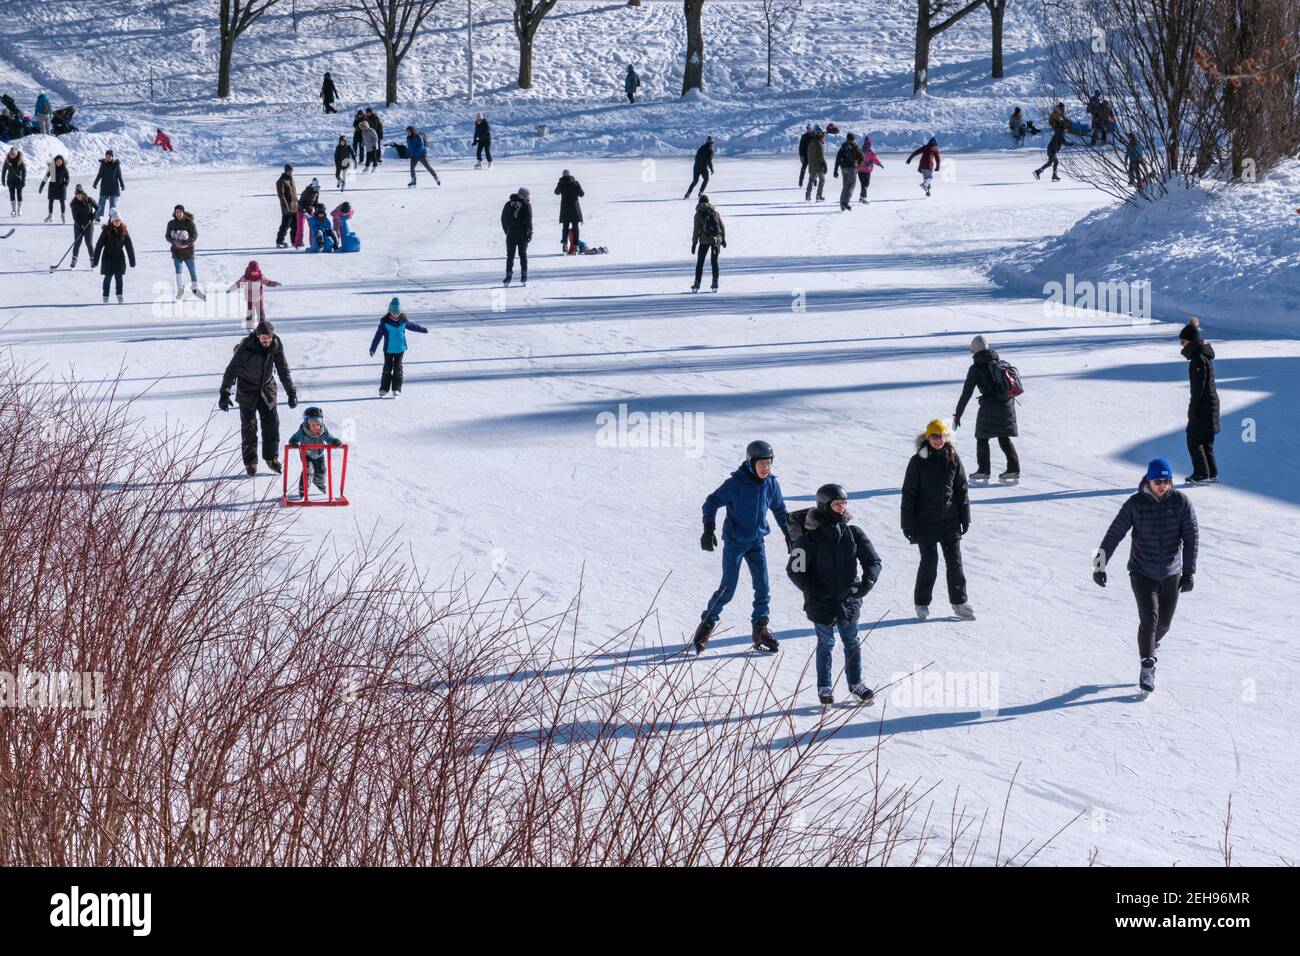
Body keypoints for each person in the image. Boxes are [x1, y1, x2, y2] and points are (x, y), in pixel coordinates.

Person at [1093, 458, 1199, 695]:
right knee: (1150, 620)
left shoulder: (1181, 502)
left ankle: (1150, 645)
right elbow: (1114, 533)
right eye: (1157, 480)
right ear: (1148, 480)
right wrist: (1099, 565)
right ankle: (1147, 666)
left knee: (1164, 623)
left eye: (1166, 480)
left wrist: (1189, 572)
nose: (1162, 485)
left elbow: (1191, 537)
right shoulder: (1135, 504)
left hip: (1172, 572)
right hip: (1142, 572)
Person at [786, 483, 883, 707]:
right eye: (837, 504)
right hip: (821, 602)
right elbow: (794, 569)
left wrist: (867, 582)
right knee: (826, 643)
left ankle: (856, 684)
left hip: (849, 600)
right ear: (824, 506)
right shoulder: (807, 539)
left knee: (852, 642)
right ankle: (825, 687)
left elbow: (873, 561)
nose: (841, 508)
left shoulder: (854, 533)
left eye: (844, 503)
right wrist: (811, 590)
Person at [694, 440, 789, 655]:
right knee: (727, 589)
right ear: (750, 462)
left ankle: (760, 631)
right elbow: (710, 503)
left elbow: (780, 511)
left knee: (763, 589)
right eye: (761, 463)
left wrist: (789, 534)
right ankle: (705, 627)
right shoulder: (735, 484)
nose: (765, 468)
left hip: (757, 543)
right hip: (735, 543)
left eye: (769, 463)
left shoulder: (771, 484)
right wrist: (709, 528)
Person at [900, 418, 973, 621]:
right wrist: (906, 523)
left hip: (950, 520)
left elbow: (961, 489)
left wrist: (965, 517)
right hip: (924, 522)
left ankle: (959, 602)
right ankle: (922, 603)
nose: (938, 440)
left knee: (955, 562)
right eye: (934, 436)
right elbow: (909, 494)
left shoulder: (953, 458)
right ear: (927, 437)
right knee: (929, 562)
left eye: (941, 436)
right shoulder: (917, 461)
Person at [219, 321, 296, 476]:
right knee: (249, 427)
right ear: (257, 336)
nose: (266, 341)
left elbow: (283, 369)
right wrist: (224, 393)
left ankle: (271, 458)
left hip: (267, 390)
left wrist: (291, 392)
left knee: (272, 424)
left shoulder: (276, 344)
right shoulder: (247, 346)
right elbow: (231, 370)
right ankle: (251, 462)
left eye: (268, 338)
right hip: (247, 390)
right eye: (263, 338)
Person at [954, 335, 1020, 481]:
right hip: (1007, 404)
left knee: (982, 437)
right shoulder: (1001, 363)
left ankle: (983, 470)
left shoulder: (976, 368)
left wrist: (958, 414)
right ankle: (1013, 468)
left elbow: (966, 393)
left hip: (990, 406)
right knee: (1004, 437)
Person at [1179, 318, 1220, 483]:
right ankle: (1211, 473)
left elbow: (1199, 388)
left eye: (1183, 341)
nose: (1181, 345)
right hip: (1210, 404)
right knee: (1206, 441)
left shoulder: (1197, 359)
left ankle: (1202, 474)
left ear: (1191, 341)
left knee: (1193, 439)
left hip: (1204, 406)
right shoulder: (1203, 355)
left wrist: (1193, 409)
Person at [368, 298, 428, 398]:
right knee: (387, 369)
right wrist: (373, 348)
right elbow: (378, 335)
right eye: (393, 313)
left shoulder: (403, 321)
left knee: (398, 369)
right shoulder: (385, 322)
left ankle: (396, 388)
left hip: (400, 349)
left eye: (397, 313)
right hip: (388, 350)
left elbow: (413, 326)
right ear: (390, 312)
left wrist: (423, 329)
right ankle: (384, 389)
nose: (396, 315)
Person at [287, 406, 344, 496]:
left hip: (319, 454)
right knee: (308, 470)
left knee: (321, 471)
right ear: (306, 423)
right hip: (306, 454)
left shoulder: (323, 431)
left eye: (318, 424)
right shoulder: (302, 432)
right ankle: (303, 490)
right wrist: (293, 442)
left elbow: (328, 437)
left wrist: (334, 441)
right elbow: (295, 438)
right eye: (313, 424)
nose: (316, 427)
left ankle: (319, 484)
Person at [90, 210, 135, 304]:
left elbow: (129, 247)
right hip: (108, 258)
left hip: (119, 258)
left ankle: (119, 295)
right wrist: (95, 261)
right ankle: (105, 295)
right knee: (108, 278)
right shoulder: (106, 231)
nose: (117, 222)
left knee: (119, 278)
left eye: (119, 221)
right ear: (112, 221)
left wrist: (132, 260)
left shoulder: (124, 231)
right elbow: (99, 246)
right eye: (115, 221)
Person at [228, 260, 281, 330]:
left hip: (259, 298)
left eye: (255, 271)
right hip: (250, 299)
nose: (254, 273)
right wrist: (231, 289)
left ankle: (262, 327)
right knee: (250, 312)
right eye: (252, 271)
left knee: (261, 313)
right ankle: (249, 326)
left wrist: (274, 283)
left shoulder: (261, 277)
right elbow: (238, 283)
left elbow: (267, 282)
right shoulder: (246, 277)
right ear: (250, 271)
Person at [165, 204, 204, 300]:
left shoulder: (190, 223)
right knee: (178, 270)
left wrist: (184, 242)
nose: (178, 214)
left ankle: (195, 289)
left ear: (183, 212)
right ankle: (180, 289)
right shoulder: (171, 223)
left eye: (180, 212)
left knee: (192, 270)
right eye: (176, 212)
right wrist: (174, 241)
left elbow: (194, 235)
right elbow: (167, 236)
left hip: (188, 252)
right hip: (176, 252)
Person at [690, 194, 725, 293]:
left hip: (704, 241)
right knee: (714, 262)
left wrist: (694, 243)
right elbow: (722, 227)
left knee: (700, 263)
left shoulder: (698, 214)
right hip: (716, 240)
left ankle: (697, 283)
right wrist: (723, 240)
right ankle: (715, 282)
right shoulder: (715, 213)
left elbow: (696, 230)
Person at [500, 188, 532, 286]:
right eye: (528, 196)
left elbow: (503, 219)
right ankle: (524, 276)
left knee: (510, 256)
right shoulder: (526, 205)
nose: (529, 199)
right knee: (523, 255)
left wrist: (507, 231)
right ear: (524, 195)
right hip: (522, 234)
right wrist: (529, 233)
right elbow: (529, 221)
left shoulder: (508, 204)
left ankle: (508, 276)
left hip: (511, 234)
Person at [1034, 103, 1067, 181]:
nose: (1064, 109)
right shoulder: (1057, 114)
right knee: (1050, 162)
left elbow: (1062, 122)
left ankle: (1053, 175)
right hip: (1053, 148)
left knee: (1055, 162)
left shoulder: (1059, 114)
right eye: (1063, 108)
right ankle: (1038, 171)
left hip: (1053, 146)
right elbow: (1059, 122)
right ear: (1061, 108)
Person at [554, 169, 584, 254]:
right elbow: (582, 194)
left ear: (563, 175)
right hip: (575, 209)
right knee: (576, 229)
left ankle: (565, 245)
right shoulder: (575, 183)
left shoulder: (561, 184)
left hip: (565, 210)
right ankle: (576, 247)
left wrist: (560, 186)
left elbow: (556, 192)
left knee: (565, 228)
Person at [833, 132, 865, 211]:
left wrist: (835, 170)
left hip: (843, 169)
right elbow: (862, 157)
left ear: (847, 139)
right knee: (851, 185)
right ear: (853, 139)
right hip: (852, 168)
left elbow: (837, 159)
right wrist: (858, 165)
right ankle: (845, 202)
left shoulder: (843, 147)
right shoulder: (855, 147)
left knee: (845, 187)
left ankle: (842, 205)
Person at [68, 185, 98, 268]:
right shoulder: (74, 204)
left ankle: (93, 260)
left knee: (89, 243)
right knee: (77, 243)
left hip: (89, 225)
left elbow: (98, 207)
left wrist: (93, 216)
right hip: (78, 225)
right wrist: (81, 225)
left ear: (82, 194)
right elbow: (75, 217)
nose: (77, 196)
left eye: (79, 194)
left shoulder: (89, 200)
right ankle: (74, 260)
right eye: (76, 194)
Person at [92, 149, 124, 221]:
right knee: (101, 202)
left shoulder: (116, 164)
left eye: (110, 156)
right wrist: (95, 182)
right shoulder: (103, 164)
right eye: (107, 156)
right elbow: (99, 174)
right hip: (104, 186)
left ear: (112, 157)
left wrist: (122, 185)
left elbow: (119, 175)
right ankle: (98, 216)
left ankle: (111, 217)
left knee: (113, 204)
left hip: (114, 187)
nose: (108, 157)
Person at [38, 154, 69, 223]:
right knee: (51, 201)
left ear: (62, 162)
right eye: (57, 161)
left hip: (61, 188)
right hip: (52, 187)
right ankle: (50, 215)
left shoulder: (64, 169)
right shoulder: (52, 168)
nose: (58, 163)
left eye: (60, 161)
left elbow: (67, 178)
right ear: (55, 161)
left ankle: (63, 216)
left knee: (62, 202)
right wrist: (41, 186)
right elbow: (46, 177)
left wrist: (65, 185)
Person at [275, 164, 297, 249]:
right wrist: (286, 207)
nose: (291, 172)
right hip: (287, 208)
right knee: (285, 225)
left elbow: (294, 194)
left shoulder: (291, 180)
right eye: (290, 171)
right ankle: (280, 241)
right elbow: (281, 196)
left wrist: (298, 205)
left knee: (295, 226)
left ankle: (294, 241)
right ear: (286, 171)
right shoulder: (281, 181)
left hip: (294, 207)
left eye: (292, 171)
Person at [855, 136, 883, 203]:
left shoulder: (867, 152)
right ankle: (863, 197)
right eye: (868, 144)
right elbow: (856, 159)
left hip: (863, 170)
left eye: (869, 144)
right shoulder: (862, 151)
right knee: (865, 184)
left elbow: (874, 160)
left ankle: (862, 197)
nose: (868, 145)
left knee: (864, 184)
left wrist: (879, 164)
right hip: (863, 170)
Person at [804, 127, 827, 201]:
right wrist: (825, 165)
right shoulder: (819, 145)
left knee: (811, 180)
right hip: (818, 166)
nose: (824, 138)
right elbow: (821, 157)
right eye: (823, 137)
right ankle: (819, 195)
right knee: (822, 180)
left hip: (812, 165)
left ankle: (807, 195)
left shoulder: (811, 143)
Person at [3, 147, 27, 217]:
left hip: (19, 181)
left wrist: (23, 180)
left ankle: (19, 209)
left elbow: (24, 171)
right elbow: (4, 170)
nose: (12, 156)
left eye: (13, 154)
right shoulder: (7, 160)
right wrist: (3, 180)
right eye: (11, 154)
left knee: (19, 195)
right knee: (12, 195)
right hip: (10, 181)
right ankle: (13, 210)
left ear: (16, 154)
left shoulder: (20, 160)